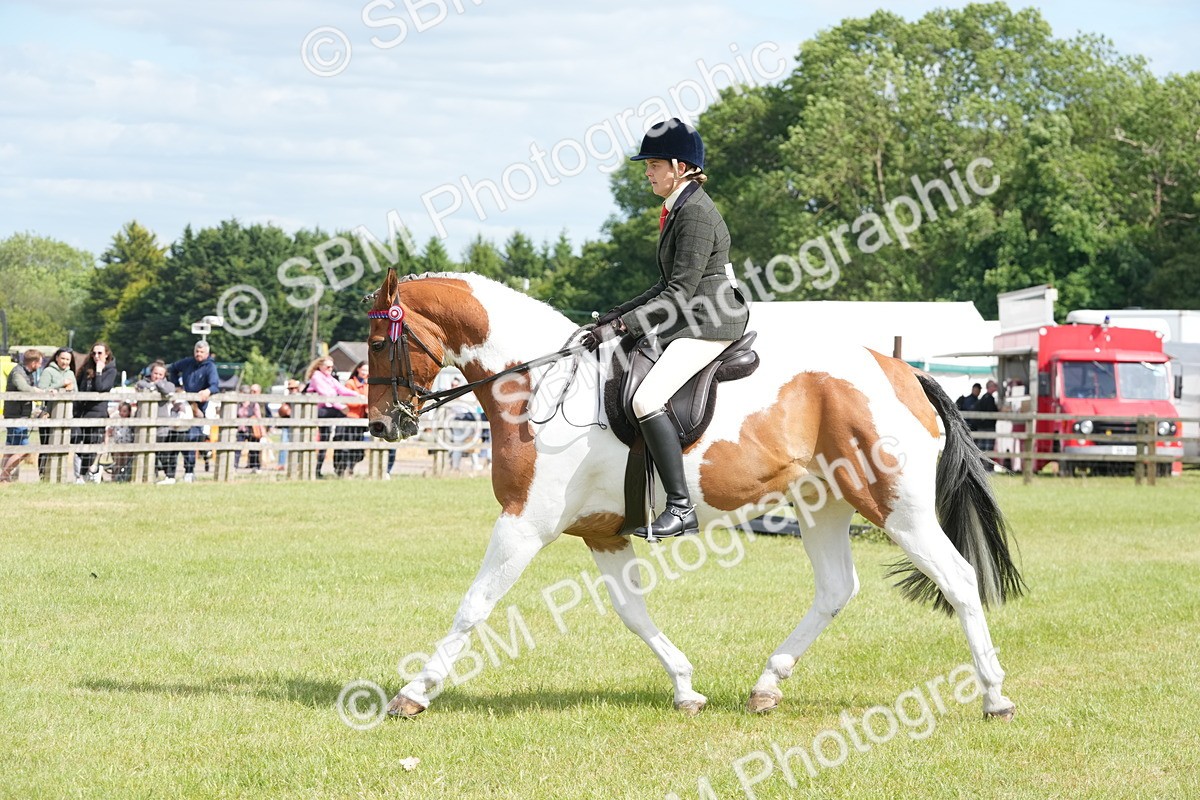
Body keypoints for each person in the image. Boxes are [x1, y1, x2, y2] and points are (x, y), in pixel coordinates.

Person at [580, 117, 749, 539]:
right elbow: (664, 285)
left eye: (653, 164)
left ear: (679, 166)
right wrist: (614, 316)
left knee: (647, 398)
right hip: (694, 313)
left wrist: (621, 326)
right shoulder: (680, 208)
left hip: (711, 320)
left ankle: (680, 505)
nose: (647, 172)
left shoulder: (694, 213)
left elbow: (678, 293)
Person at [168, 340, 220, 483]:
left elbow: (215, 385)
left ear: (207, 353)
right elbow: (172, 368)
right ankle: (170, 473)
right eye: (197, 351)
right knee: (178, 436)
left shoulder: (210, 367)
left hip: (200, 407)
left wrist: (207, 390)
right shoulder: (188, 362)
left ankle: (189, 471)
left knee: (192, 438)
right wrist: (177, 386)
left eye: (201, 352)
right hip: (184, 404)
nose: (198, 354)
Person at [304, 356, 362, 477]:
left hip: (330, 409)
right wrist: (341, 407)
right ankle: (316, 470)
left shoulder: (329, 378)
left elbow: (341, 390)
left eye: (331, 367)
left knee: (326, 438)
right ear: (320, 366)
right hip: (321, 411)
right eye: (327, 366)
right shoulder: (316, 377)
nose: (330, 369)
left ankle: (339, 438)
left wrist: (357, 395)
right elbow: (327, 395)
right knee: (324, 440)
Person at [73, 342, 117, 483]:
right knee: (76, 440)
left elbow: (101, 387)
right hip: (82, 411)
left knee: (91, 445)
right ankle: (87, 472)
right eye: (94, 353)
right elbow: (79, 386)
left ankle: (85, 474)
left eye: (99, 353)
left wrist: (98, 371)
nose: (96, 356)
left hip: (97, 412)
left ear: (106, 355)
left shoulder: (111, 370)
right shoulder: (86, 368)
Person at [1, 349, 44, 482]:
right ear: (34, 362)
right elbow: (23, 388)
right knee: (25, 449)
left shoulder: (26, 373)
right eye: (40, 363)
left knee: (10, 449)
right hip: (16, 416)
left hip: (19, 415)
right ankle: (3, 476)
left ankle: (4, 478)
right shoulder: (18, 373)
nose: (40, 366)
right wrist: (38, 391)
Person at [37, 347, 76, 480]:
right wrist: (60, 384)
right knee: (46, 444)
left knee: (62, 444)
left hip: (66, 414)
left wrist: (70, 388)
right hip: (49, 413)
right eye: (63, 358)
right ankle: (43, 475)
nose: (65, 361)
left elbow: (75, 391)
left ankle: (60, 474)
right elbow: (41, 389)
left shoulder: (70, 373)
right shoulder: (48, 371)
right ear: (57, 358)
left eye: (67, 359)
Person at [135, 360, 177, 481]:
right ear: (151, 373)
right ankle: (148, 476)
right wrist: (156, 387)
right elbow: (141, 385)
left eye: (160, 375)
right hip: (143, 424)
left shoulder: (168, 384)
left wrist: (157, 385)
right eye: (155, 373)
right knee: (144, 452)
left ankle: (169, 477)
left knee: (161, 453)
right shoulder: (143, 382)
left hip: (161, 425)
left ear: (164, 375)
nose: (157, 376)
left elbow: (170, 390)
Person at [343, 362, 370, 475]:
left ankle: (351, 467)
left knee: (359, 448)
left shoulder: (368, 384)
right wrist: (362, 402)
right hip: (352, 417)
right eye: (363, 370)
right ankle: (348, 469)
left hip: (363, 418)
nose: (364, 373)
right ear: (358, 369)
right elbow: (348, 402)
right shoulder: (350, 383)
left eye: (366, 370)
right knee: (350, 445)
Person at [235, 384, 266, 473]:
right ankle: (234, 466)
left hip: (252, 429)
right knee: (237, 448)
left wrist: (262, 431)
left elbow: (258, 417)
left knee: (254, 449)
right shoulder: (238, 404)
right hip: (241, 429)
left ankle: (256, 467)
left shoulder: (253, 404)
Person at [106, 401, 135, 482]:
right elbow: (109, 431)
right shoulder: (116, 421)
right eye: (120, 411)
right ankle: (115, 478)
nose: (122, 413)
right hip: (118, 445)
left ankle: (125, 478)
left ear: (129, 412)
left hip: (128, 445)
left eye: (124, 411)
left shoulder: (132, 422)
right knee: (118, 462)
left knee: (126, 462)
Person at [975, 380, 999, 454]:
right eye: (994, 386)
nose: (996, 387)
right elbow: (991, 411)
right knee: (988, 448)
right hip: (988, 427)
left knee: (981, 448)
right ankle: (987, 465)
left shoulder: (984, 397)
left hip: (982, 427)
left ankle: (980, 464)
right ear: (990, 387)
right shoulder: (990, 398)